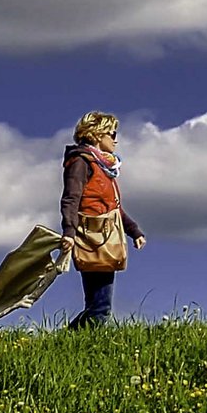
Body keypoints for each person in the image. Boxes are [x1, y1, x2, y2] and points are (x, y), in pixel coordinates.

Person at [60, 111, 146, 329]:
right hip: (92, 236)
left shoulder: (106, 168)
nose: (116, 139)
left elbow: (115, 207)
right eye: (112, 133)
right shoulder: (81, 162)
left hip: (107, 235)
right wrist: (69, 232)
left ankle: (72, 342)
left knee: (98, 304)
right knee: (101, 307)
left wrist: (134, 231)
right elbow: (71, 198)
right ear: (97, 135)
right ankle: (75, 341)